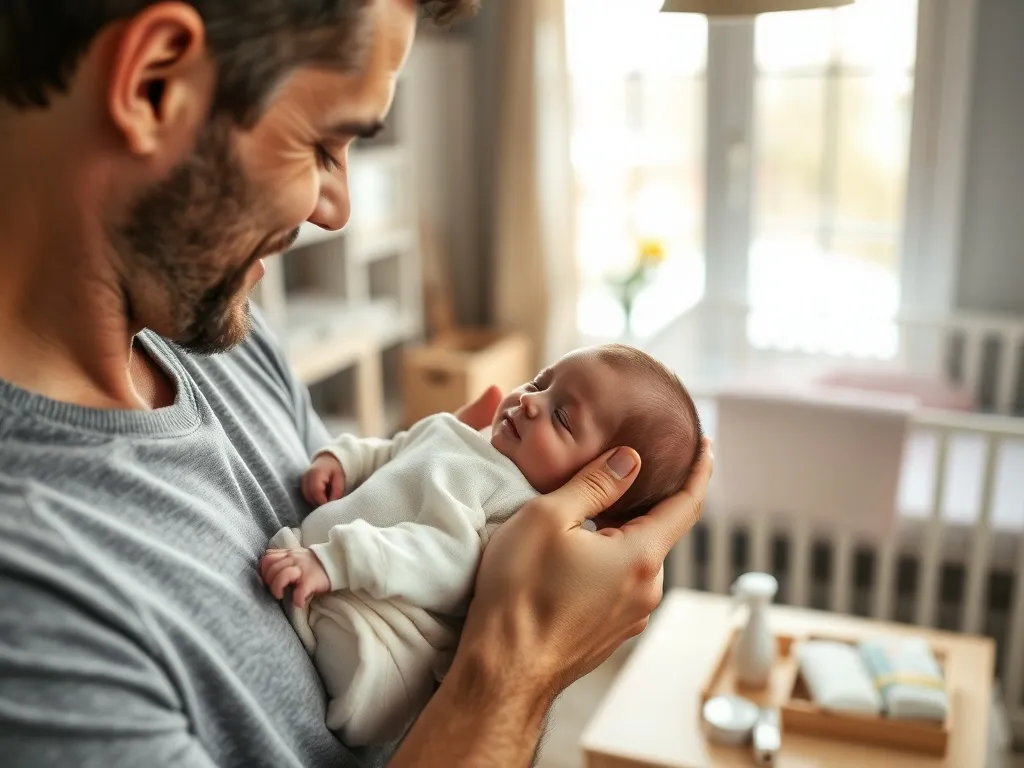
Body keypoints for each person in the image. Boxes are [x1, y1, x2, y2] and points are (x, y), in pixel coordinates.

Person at [0, 0, 713, 766]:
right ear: (150, 85)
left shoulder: (219, 333)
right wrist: (516, 670)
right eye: (325, 142)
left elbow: (362, 505)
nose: (336, 209)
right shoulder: (34, 587)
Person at [259, 343, 704, 746]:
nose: (531, 402)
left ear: (602, 486)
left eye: (563, 417)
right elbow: (397, 449)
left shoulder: (519, 512)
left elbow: (445, 560)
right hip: (319, 561)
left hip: (377, 636)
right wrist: (342, 458)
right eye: (540, 382)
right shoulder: (463, 435)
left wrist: (339, 561)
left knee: (333, 673)